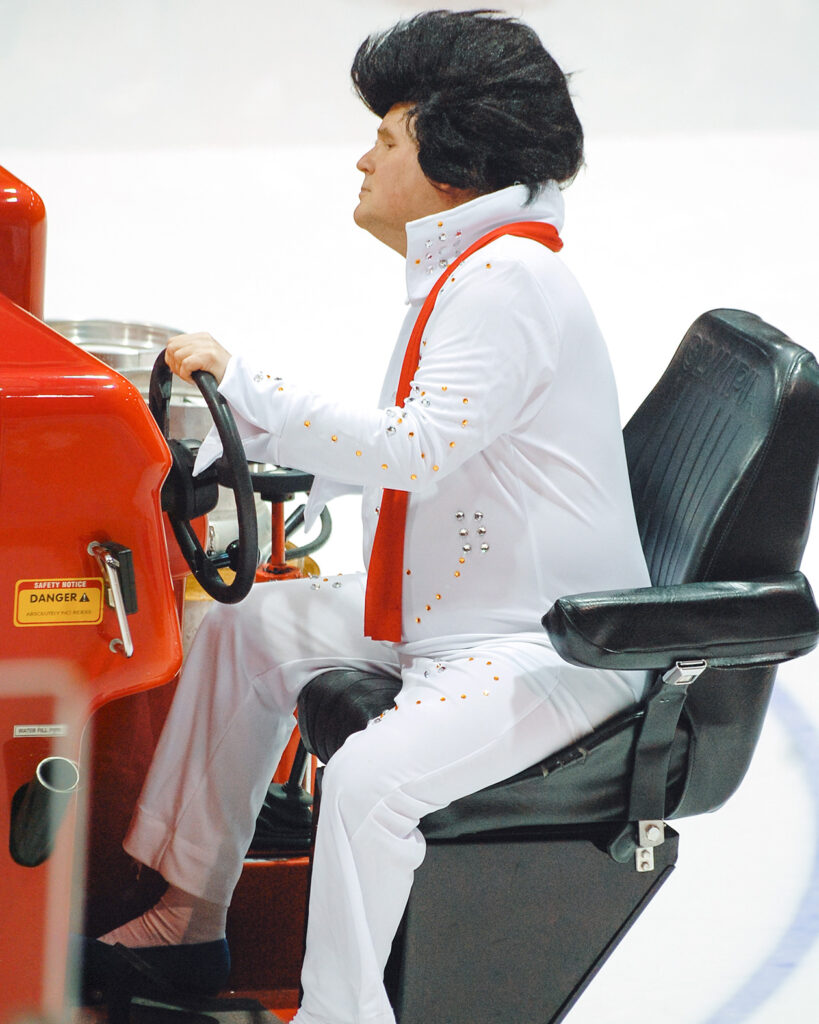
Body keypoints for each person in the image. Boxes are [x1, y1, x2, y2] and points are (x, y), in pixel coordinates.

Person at [85, 11, 651, 1024]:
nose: (364, 158)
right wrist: (260, 458)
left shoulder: (507, 282)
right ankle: (187, 921)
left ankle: (346, 1013)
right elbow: (422, 453)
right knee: (245, 630)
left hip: (538, 644)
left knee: (368, 786)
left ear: (450, 159)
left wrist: (251, 394)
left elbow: (416, 448)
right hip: (456, 606)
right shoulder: (471, 270)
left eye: (386, 139)